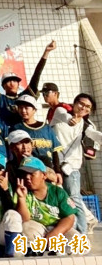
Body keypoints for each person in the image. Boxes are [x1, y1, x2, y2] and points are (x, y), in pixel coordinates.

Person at [50, 93, 102, 234]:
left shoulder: (86, 125)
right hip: (53, 165)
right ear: (74, 103)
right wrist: (72, 120)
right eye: (81, 104)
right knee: (54, 198)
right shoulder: (60, 111)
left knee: (74, 198)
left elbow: (94, 134)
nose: (83, 108)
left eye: (87, 107)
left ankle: (81, 232)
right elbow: (65, 118)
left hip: (71, 167)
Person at [0, 39, 56, 127]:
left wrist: (46, 52)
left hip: (26, 132)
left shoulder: (25, 96)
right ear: (3, 86)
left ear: (18, 84)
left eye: (15, 80)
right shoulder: (0, 99)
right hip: (7, 133)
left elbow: (37, 74)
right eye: (8, 81)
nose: (12, 83)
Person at [14, 157, 78, 245]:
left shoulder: (57, 192)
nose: (27, 177)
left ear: (44, 175)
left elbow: (69, 217)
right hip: (36, 228)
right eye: (24, 174)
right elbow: (24, 219)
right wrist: (21, 198)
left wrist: (56, 233)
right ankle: (37, 250)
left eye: (32, 173)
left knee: (78, 242)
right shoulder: (22, 192)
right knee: (26, 228)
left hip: (57, 227)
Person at [11, 94, 62, 171]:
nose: (23, 111)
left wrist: (58, 171)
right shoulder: (16, 128)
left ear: (34, 110)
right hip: (28, 169)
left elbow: (55, 152)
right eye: (20, 108)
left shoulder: (47, 128)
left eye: (26, 108)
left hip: (48, 169)